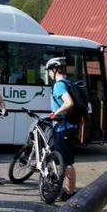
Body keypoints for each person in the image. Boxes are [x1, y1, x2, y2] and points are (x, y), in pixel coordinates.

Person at [45, 57, 77, 201]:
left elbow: (68, 103)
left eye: (50, 71)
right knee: (66, 161)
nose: (49, 74)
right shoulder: (68, 82)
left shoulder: (59, 85)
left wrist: (55, 113)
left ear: (54, 70)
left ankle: (69, 192)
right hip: (69, 127)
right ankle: (68, 190)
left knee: (66, 162)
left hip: (63, 128)